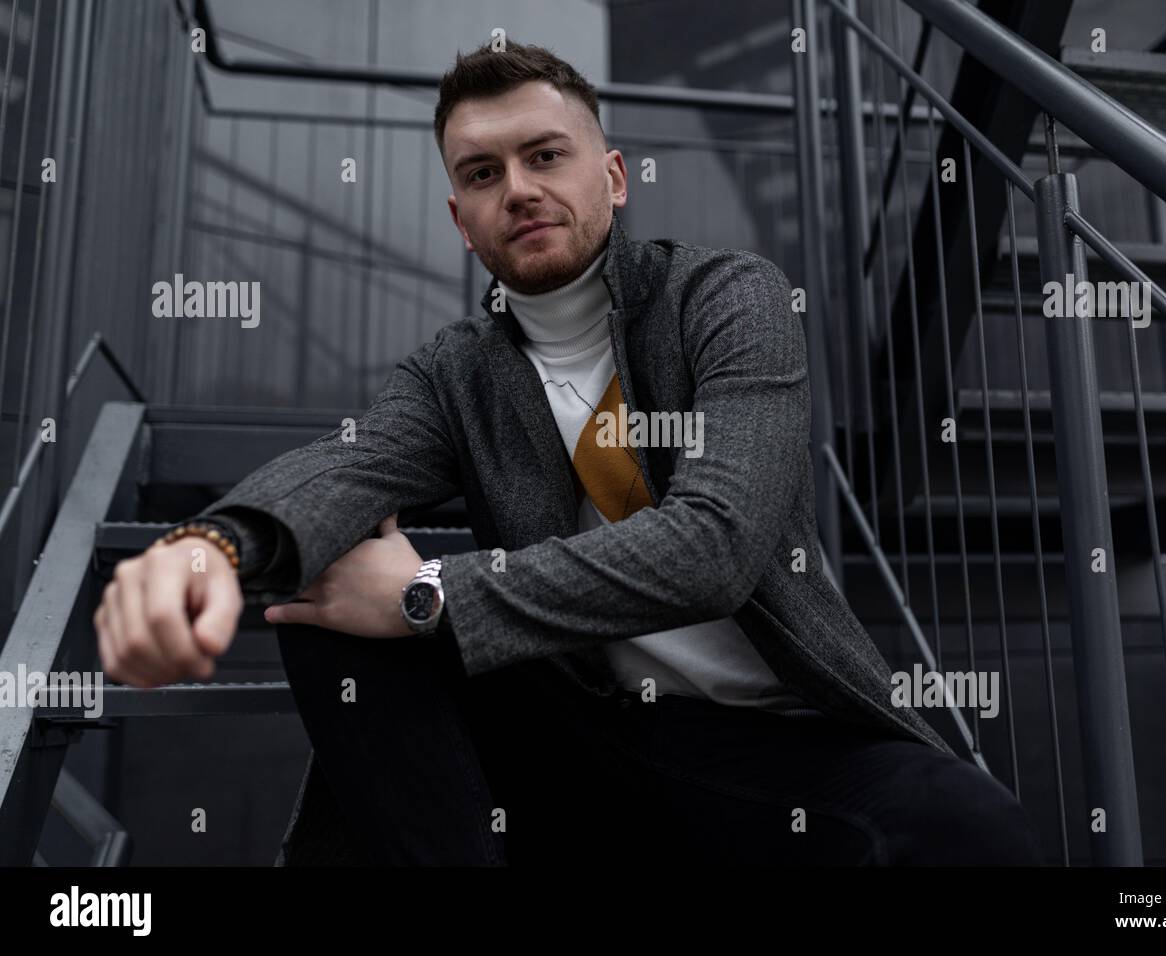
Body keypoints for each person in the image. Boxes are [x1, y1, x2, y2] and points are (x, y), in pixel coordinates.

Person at [93, 39, 1042, 866]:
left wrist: (433, 594)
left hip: (769, 741)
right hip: (581, 728)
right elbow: (348, 468)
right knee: (330, 575)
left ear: (615, 177)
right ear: (461, 220)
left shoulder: (725, 300)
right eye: (481, 174)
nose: (519, 189)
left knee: (968, 830)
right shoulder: (454, 373)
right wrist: (206, 548)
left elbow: (716, 547)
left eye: (546, 155)